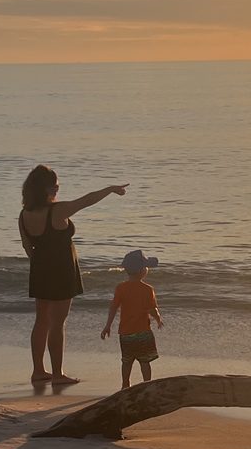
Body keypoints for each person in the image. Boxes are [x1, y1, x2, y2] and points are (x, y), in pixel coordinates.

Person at [18, 164, 128, 384]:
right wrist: (110, 189)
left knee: (41, 321)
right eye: (55, 185)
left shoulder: (24, 214)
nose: (58, 188)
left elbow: (26, 246)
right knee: (57, 323)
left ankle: (38, 371)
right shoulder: (56, 211)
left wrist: (41, 265)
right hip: (61, 271)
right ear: (45, 188)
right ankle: (57, 374)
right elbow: (86, 201)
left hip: (40, 270)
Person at [101, 250, 165, 389]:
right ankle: (146, 385)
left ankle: (125, 384)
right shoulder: (147, 289)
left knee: (126, 361)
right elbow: (151, 309)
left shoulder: (121, 288)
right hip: (143, 332)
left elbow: (113, 308)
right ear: (143, 271)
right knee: (145, 361)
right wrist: (158, 319)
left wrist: (108, 326)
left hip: (125, 332)